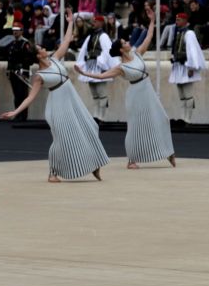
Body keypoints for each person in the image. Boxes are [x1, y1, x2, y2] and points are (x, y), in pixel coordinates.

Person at [0, 11, 109, 182]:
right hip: (57, 106)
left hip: (72, 102)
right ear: (38, 55)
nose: (44, 49)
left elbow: (66, 41)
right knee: (61, 140)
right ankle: (53, 172)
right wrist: (15, 112)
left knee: (90, 127)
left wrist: (70, 22)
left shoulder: (56, 58)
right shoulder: (39, 76)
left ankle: (94, 164)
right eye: (41, 49)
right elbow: (30, 98)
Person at [74, 9, 176, 169]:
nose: (128, 42)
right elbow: (102, 76)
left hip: (147, 91)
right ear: (122, 49)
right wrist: (83, 72)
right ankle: (132, 159)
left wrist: (152, 21)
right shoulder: (121, 67)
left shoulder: (137, 53)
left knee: (162, 118)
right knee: (136, 127)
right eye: (125, 42)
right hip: (135, 94)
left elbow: (149, 37)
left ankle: (168, 151)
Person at [76, 14, 119, 121]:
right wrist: (81, 63)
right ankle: (96, 115)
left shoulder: (103, 36)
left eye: (95, 22)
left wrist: (102, 63)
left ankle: (102, 116)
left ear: (101, 23)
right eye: (93, 22)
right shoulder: (90, 36)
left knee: (101, 92)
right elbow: (84, 50)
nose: (93, 23)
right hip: (90, 65)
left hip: (99, 66)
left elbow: (107, 50)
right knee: (94, 93)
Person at [169, 13, 206, 123]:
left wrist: (191, 67)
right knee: (182, 94)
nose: (177, 22)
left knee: (188, 94)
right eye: (176, 19)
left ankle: (188, 119)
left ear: (185, 21)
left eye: (179, 20)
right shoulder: (178, 32)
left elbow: (192, 51)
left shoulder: (189, 33)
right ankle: (182, 117)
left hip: (186, 66)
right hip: (178, 66)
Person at [6, 25, 36, 121]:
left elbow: (30, 59)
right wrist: (8, 69)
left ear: (21, 31)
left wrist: (22, 66)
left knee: (22, 94)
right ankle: (17, 113)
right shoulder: (13, 43)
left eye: (17, 30)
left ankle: (23, 115)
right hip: (13, 72)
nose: (15, 32)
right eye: (13, 30)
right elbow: (10, 59)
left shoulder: (25, 43)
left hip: (21, 72)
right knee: (16, 94)